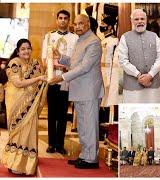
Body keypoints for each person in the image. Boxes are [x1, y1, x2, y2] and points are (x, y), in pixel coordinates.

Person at [50, 14, 104, 169]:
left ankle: (91, 159)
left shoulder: (93, 41)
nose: (77, 26)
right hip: (80, 89)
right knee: (83, 125)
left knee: (89, 125)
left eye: (81, 23)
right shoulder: (81, 40)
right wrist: (60, 57)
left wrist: (62, 78)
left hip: (89, 90)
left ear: (88, 24)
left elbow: (85, 67)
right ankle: (84, 155)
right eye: (75, 24)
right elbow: (75, 62)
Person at [1, 39, 47, 175]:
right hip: (16, 103)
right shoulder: (14, 63)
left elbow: (44, 79)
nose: (26, 51)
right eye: (23, 49)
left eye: (28, 48)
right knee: (18, 131)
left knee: (29, 130)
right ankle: (14, 163)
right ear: (18, 51)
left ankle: (25, 163)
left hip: (30, 104)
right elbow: (18, 83)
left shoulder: (35, 64)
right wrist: (38, 79)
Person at [41, 9, 78, 154]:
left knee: (63, 114)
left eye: (65, 18)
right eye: (60, 18)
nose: (63, 20)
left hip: (67, 81)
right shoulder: (49, 36)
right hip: (52, 79)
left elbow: (76, 60)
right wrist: (56, 67)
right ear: (57, 20)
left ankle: (60, 144)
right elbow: (44, 59)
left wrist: (66, 70)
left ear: (69, 21)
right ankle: (51, 144)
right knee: (52, 113)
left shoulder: (75, 38)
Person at [118, 9, 160, 103]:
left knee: (152, 114)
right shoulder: (125, 37)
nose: (140, 21)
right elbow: (123, 60)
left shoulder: (154, 36)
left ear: (146, 20)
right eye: (136, 19)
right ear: (132, 21)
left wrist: (150, 75)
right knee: (133, 114)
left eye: (142, 19)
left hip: (152, 85)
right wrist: (138, 75)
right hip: (132, 87)